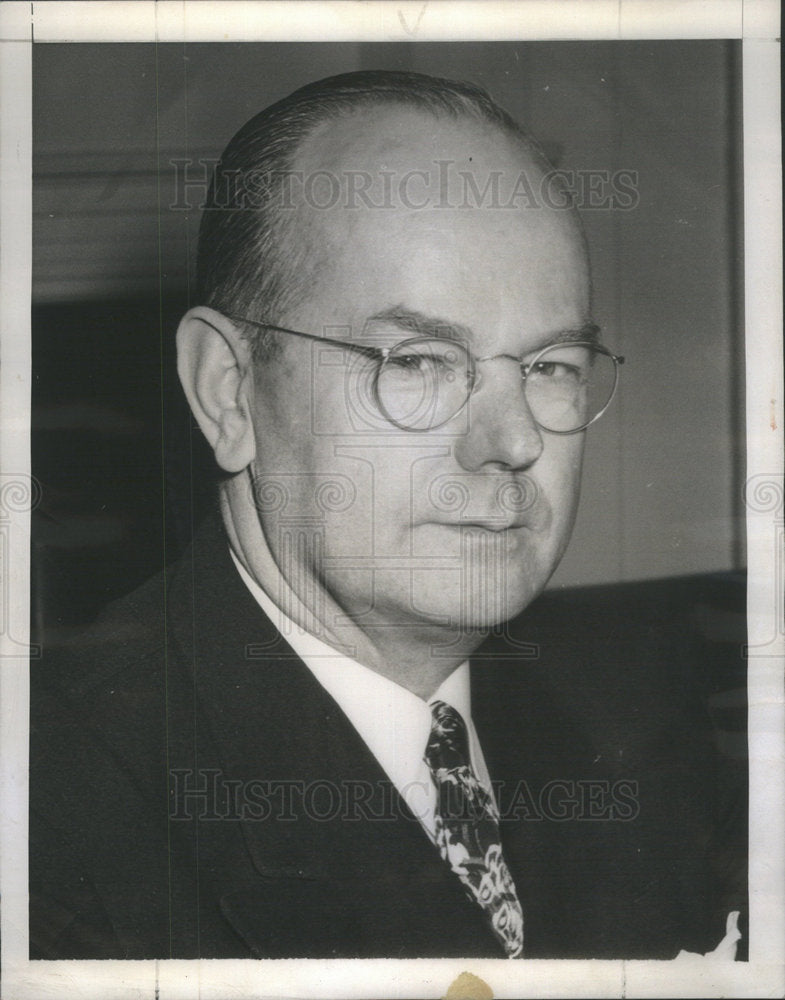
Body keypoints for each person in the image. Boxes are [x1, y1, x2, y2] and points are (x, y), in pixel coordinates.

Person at [29, 70, 745, 961]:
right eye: (415, 361)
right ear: (229, 392)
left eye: (553, 365)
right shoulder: (52, 818)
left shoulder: (641, 721)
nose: (513, 440)